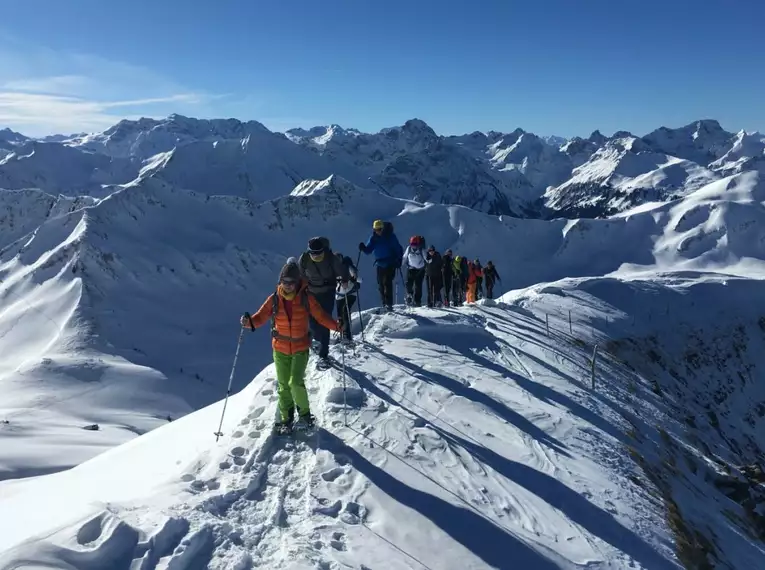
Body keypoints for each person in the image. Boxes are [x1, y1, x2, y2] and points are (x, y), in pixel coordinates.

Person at [241, 258, 342, 434]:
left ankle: (305, 416)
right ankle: (286, 418)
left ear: (297, 283)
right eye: (284, 282)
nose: (287, 286)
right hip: (279, 348)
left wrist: (336, 326)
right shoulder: (274, 299)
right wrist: (248, 323)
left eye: (291, 282)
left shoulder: (305, 298)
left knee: (295, 383)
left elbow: (320, 316)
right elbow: (260, 317)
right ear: (280, 282)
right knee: (283, 386)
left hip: (300, 347)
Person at [298, 237, 350, 369]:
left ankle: (323, 354)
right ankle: (318, 340)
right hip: (310, 293)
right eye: (313, 253)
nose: (316, 256)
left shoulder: (330, 258)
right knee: (312, 322)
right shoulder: (304, 259)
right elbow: (301, 274)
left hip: (327, 292)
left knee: (324, 320)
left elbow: (342, 271)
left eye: (319, 253)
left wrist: (345, 280)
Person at [359, 220, 404, 312]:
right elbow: (368, 250)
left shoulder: (390, 237)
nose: (377, 231)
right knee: (381, 285)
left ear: (383, 228)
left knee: (387, 283)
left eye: (379, 229)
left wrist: (399, 259)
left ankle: (389, 304)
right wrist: (363, 248)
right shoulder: (373, 238)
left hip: (390, 262)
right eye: (376, 229)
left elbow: (398, 249)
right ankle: (384, 304)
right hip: (380, 264)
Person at [335, 255, 359, 343]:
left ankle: (347, 336)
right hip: (340, 295)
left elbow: (358, 278)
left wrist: (353, 279)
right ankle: (343, 335)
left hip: (349, 294)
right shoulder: (333, 268)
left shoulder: (348, 267)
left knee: (345, 312)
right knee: (340, 316)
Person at [403, 235, 427, 306]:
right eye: (412, 244)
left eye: (415, 244)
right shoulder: (409, 249)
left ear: (418, 244)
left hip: (420, 270)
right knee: (408, 283)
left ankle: (417, 301)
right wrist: (400, 263)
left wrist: (429, 261)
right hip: (411, 269)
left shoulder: (422, 250)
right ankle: (409, 295)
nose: (413, 246)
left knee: (418, 286)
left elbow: (426, 258)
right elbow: (404, 257)